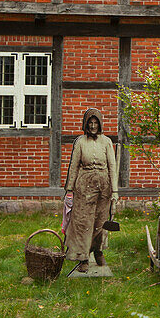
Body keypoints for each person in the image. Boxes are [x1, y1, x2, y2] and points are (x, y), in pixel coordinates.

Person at [63, 108, 118, 272]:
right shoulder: (80, 142)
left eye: (96, 123)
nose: (93, 126)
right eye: (90, 123)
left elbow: (112, 166)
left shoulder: (107, 142)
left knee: (100, 222)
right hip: (84, 187)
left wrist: (114, 191)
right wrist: (69, 189)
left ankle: (98, 251)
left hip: (104, 187)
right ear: (86, 124)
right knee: (83, 223)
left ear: (100, 124)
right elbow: (73, 166)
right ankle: (83, 257)